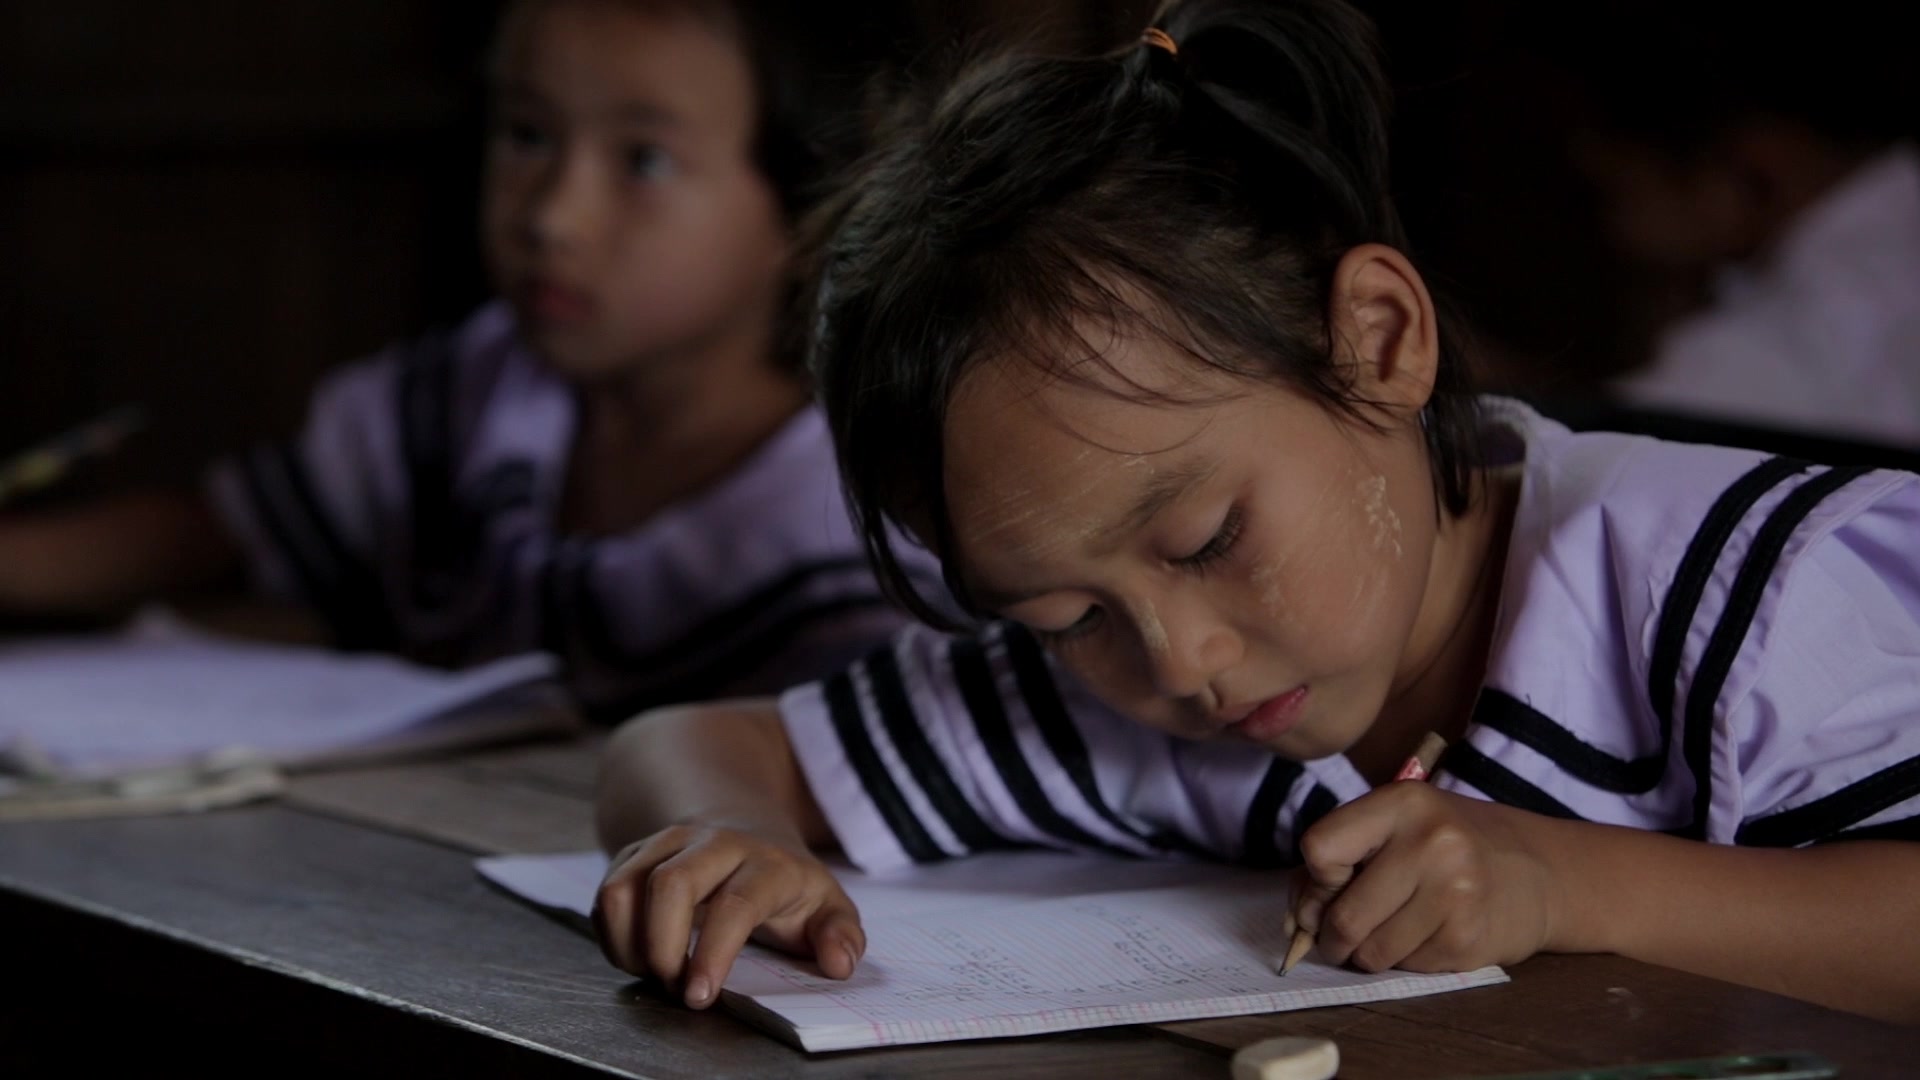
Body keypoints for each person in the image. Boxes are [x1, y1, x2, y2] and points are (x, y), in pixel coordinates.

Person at [590, 0, 1920, 1022]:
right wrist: (735, 845)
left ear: (1381, 343)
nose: (1177, 657)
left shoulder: (1740, 598)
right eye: (1063, 619)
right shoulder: (1135, 713)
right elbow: (697, 743)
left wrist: (1566, 885)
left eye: (1206, 540)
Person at [0, 0, 933, 719]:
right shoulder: (473, 397)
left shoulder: (859, 524)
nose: (550, 216)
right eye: (527, 134)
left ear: (818, 203)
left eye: (644, 161)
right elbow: (226, 529)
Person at [1555, 2, 1920, 444]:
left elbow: (1618, 449)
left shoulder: (1835, 313)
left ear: (1756, 175)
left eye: (1617, 191)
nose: (1613, 229)